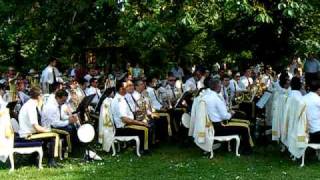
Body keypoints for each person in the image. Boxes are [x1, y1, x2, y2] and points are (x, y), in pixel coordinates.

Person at [203, 77, 253, 154]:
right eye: (220, 84)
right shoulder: (216, 98)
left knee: (244, 123)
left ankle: (238, 146)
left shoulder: (206, 96)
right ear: (217, 86)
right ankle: (247, 150)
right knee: (245, 126)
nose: (221, 86)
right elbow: (225, 116)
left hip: (212, 126)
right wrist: (231, 113)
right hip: (220, 127)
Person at [18, 87, 60, 167]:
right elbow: (36, 127)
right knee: (53, 136)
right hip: (27, 134)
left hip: (28, 132)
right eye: (42, 96)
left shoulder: (30, 104)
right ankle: (51, 162)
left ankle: (33, 158)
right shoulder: (31, 106)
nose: (43, 98)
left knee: (49, 134)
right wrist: (48, 131)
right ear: (39, 96)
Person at [111, 81, 151, 153]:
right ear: (121, 89)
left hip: (127, 123)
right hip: (123, 127)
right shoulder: (119, 101)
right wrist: (140, 123)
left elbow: (127, 114)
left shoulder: (121, 98)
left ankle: (141, 147)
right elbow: (124, 119)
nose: (129, 88)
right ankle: (142, 150)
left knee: (148, 123)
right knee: (145, 128)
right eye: (127, 87)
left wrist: (138, 113)